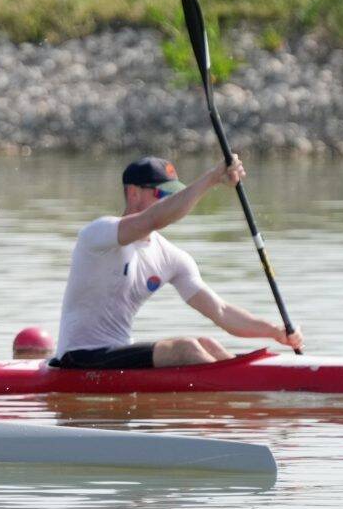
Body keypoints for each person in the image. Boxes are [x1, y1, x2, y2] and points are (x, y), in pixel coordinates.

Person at [52, 155, 303, 370]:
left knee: (208, 344)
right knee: (185, 349)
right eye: (162, 194)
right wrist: (213, 177)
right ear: (133, 193)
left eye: (175, 194)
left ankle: (250, 392)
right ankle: (238, 401)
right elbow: (152, 220)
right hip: (79, 357)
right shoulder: (99, 235)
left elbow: (221, 312)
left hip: (118, 354)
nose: (170, 201)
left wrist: (275, 331)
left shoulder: (171, 257)